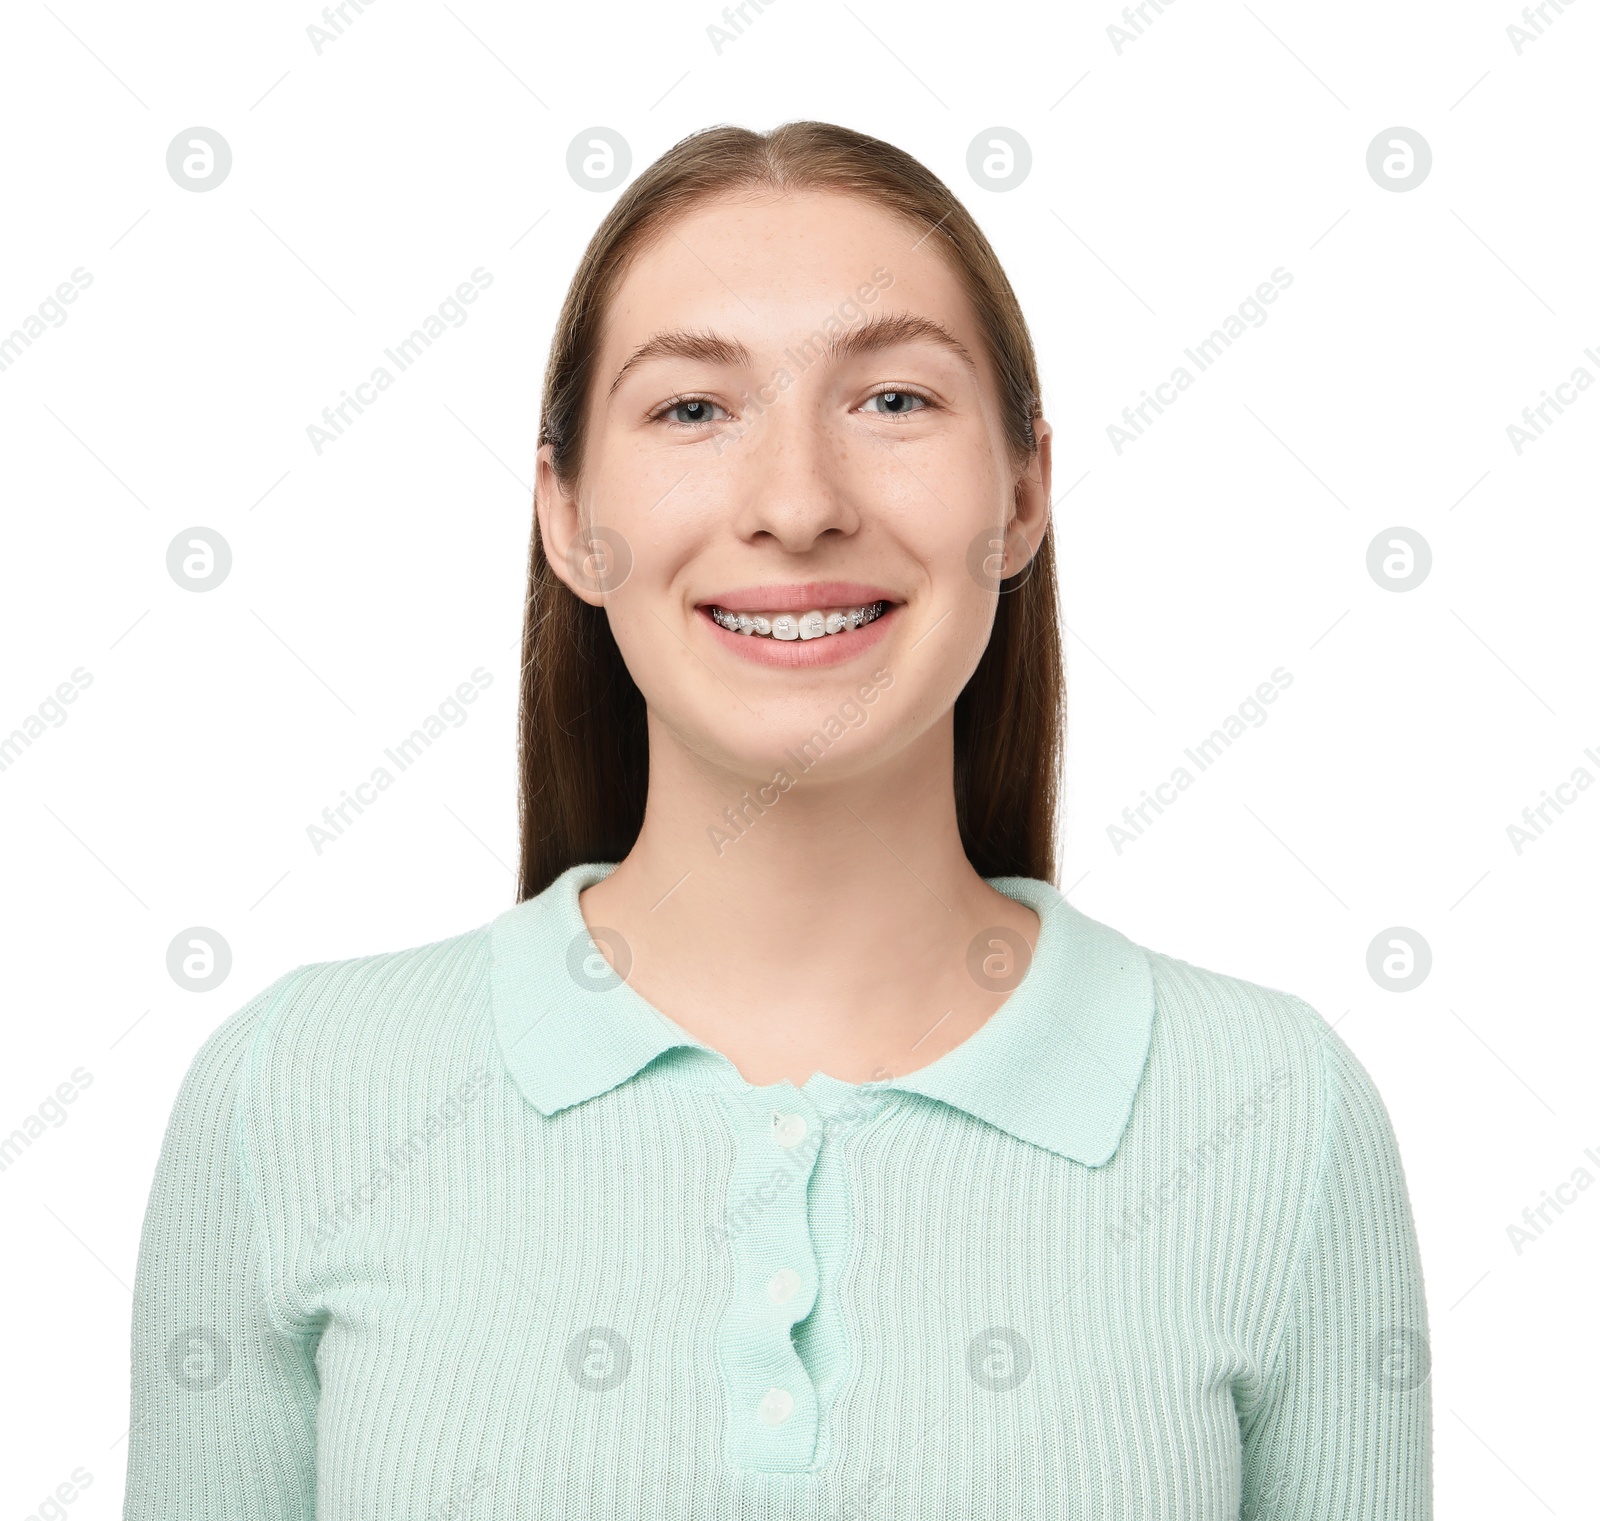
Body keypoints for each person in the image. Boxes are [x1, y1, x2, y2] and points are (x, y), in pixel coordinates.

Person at [122, 121, 1432, 1518]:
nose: (798, 504)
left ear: (1024, 490)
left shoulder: (1276, 1117)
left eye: (894, 402)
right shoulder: (297, 1096)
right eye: (692, 409)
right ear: (567, 513)